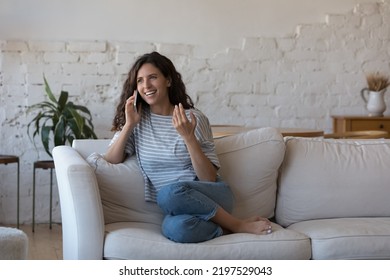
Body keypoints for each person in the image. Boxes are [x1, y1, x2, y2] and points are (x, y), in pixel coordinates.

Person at [104, 51, 272, 243]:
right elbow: (111, 159)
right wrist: (128, 125)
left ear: (167, 80)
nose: (146, 86)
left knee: (167, 194)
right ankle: (226, 228)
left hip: (210, 195)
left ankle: (238, 225)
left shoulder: (193, 118)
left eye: (152, 77)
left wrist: (188, 137)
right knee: (176, 229)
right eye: (140, 81)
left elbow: (208, 178)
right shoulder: (137, 122)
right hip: (178, 207)